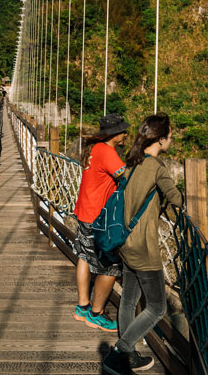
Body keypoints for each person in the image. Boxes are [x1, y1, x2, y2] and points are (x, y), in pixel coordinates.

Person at [104, 113, 183, 374]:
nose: (171, 140)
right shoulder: (157, 168)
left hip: (125, 241)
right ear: (160, 140)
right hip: (144, 248)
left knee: (128, 301)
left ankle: (130, 357)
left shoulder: (132, 163)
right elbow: (178, 200)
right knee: (157, 307)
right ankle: (121, 352)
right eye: (170, 136)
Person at [72, 113, 130, 332]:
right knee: (110, 266)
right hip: (98, 217)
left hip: (84, 211)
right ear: (114, 134)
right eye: (123, 130)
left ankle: (82, 306)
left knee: (85, 256)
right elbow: (126, 177)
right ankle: (96, 314)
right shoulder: (107, 152)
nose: (126, 134)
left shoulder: (94, 149)